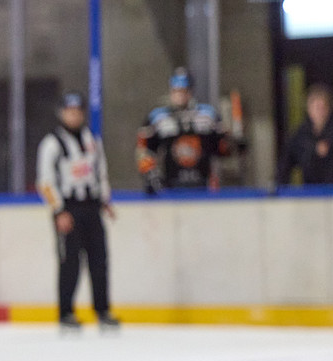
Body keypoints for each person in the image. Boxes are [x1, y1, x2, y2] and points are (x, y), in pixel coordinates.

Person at [36, 91, 119, 333]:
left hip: (91, 206)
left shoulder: (92, 140)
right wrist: (58, 211)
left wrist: (105, 200)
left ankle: (102, 310)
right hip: (69, 208)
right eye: (69, 111)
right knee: (69, 262)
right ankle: (66, 312)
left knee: (99, 261)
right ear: (61, 113)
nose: (73, 116)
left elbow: (100, 172)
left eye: (77, 112)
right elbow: (45, 182)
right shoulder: (52, 143)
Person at [136, 68, 233, 192]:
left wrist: (231, 143)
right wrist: (150, 172)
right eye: (176, 91)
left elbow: (222, 148)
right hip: (170, 184)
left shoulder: (208, 115)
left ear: (190, 91)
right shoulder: (158, 117)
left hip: (204, 184)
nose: (179, 95)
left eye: (183, 91)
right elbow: (144, 149)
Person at [277, 83, 333, 185]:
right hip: (311, 189)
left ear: (329, 108)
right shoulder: (301, 133)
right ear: (308, 109)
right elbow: (286, 161)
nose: (319, 112)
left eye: (323, 107)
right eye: (316, 107)